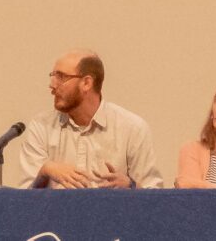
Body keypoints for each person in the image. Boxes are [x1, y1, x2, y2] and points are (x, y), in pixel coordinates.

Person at [19, 49, 164, 189]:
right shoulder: (41, 127)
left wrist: (130, 187)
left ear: (87, 83)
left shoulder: (132, 128)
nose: (52, 85)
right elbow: (24, 202)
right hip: (56, 214)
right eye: (53, 76)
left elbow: (154, 195)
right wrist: (45, 172)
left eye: (61, 77)